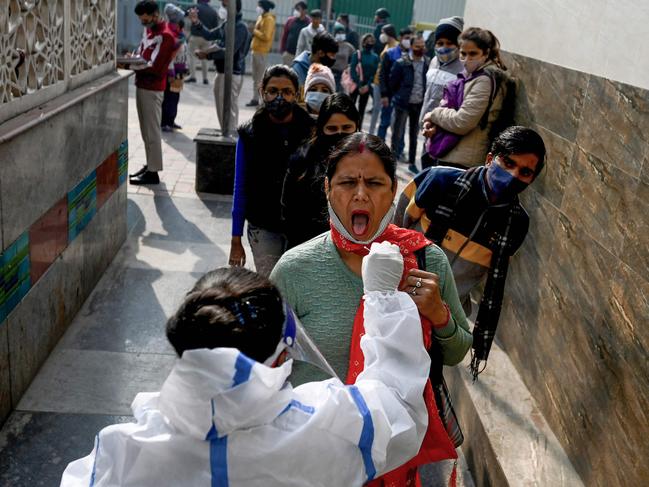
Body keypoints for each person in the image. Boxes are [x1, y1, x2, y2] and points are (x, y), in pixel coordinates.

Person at [60, 253, 437, 486]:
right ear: (282, 359)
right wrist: (384, 298)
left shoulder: (122, 451)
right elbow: (400, 409)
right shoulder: (330, 427)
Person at [271, 132, 471, 485]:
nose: (360, 194)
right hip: (312, 457)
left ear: (393, 190)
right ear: (328, 189)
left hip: (391, 459)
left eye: (375, 183)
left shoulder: (426, 261)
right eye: (347, 182)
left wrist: (439, 315)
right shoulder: (294, 269)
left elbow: (456, 353)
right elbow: (265, 366)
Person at [394, 126, 546, 379]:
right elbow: (393, 232)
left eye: (525, 172)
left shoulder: (515, 224)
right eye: (507, 162)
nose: (512, 175)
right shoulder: (438, 180)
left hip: (442, 321)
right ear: (489, 158)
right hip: (395, 300)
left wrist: (447, 319)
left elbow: (483, 280)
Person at [229, 65, 314, 277]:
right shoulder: (249, 133)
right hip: (263, 226)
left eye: (286, 92)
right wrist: (235, 238)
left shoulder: (311, 130)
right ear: (262, 92)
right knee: (272, 286)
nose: (279, 98)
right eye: (273, 91)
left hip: (302, 227)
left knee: (297, 288)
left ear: (296, 94)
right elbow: (240, 187)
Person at [421, 27, 509, 168]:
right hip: (453, 153)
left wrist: (434, 114)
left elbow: (462, 122)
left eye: (473, 53)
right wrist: (435, 126)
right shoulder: (470, 75)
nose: (467, 59)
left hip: (464, 161)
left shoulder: (484, 80)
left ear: (486, 53)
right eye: (463, 53)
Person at [282, 93, 359, 248]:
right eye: (332, 128)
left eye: (346, 128)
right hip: (305, 247)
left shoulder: (369, 161)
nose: (339, 134)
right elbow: (288, 208)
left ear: (356, 127)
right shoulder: (303, 160)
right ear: (321, 128)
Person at [129, 0, 177, 186]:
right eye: (141, 19)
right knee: (145, 131)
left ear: (155, 14)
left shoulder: (166, 36)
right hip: (142, 85)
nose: (143, 21)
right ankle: (150, 165)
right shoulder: (149, 31)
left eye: (145, 18)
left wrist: (130, 64)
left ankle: (153, 172)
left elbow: (155, 67)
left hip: (152, 88)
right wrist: (133, 59)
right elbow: (143, 53)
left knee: (152, 132)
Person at [189, 0, 251, 134]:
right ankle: (226, 134)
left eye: (225, 5)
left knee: (229, 111)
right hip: (221, 72)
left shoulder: (240, 27)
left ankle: (231, 140)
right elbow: (210, 34)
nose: (222, 8)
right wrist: (196, 22)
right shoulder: (227, 24)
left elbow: (229, 51)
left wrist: (207, 55)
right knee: (222, 110)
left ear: (234, 7)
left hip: (231, 74)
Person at [419, 16, 464, 169]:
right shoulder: (433, 62)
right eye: (440, 43)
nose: (444, 47)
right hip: (426, 128)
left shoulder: (463, 68)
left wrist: (438, 126)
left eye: (449, 43)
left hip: (443, 133)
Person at [389, 33, 430, 173]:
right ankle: (392, 161)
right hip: (402, 104)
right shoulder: (402, 63)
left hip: (418, 105)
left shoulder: (428, 63)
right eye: (417, 46)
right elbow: (393, 83)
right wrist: (399, 96)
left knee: (414, 135)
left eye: (423, 46)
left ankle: (412, 162)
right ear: (411, 47)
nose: (421, 48)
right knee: (397, 134)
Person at [378, 27, 413, 150]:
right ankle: (379, 147)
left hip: (403, 97)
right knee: (384, 122)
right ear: (400, 38)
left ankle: (398, 149)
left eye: (410, 38)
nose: (408, 41)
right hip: (389, 94)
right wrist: (384, 94)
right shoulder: (390, 53)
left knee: (400, 126)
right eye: (406, 38)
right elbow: (383, 75)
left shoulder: (412, 56)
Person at [160, 4, 188, 132]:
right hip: (171, 72)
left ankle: (171, 121)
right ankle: (165, 122)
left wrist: (185, 67)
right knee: (168, 97)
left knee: (175, 97)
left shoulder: (180, 34)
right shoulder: (170, 34)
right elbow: (168, 56)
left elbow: (184, 52)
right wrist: (170, 72)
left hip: (179, 71)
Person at [369, 23, 398, 135]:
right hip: (378, 81)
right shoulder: (387, 45)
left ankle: (394, 136)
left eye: (383, 32)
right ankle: (371, 133)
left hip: (385, 84)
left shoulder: (395, 47)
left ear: (389, 33)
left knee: (389, 113)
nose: (381, 35)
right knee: (376, 109)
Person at [246, 1, 276, 107]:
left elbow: (266, 36)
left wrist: (254, 31)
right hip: (255, 50)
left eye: (259, 6)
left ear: (263, 7)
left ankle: (262, 101)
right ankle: (255, 99)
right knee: (255, 78)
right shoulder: (261, 17)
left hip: (262, 52)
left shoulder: (269, 19)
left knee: (260, 78)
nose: (257, 8)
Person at [185, 0, 219, 84]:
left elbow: (185, 13)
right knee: (205, 57)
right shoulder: (213, 11)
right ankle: (205, 78)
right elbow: (216, 27)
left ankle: (193, 76)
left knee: (191, 55)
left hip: (195, 36)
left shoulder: (195, 7)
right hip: (207, 38)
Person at [350, 33, 379, 129]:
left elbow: (375, 73)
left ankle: (359, 129)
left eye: (372, 41)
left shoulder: (375, 57)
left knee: (362, 110)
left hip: (367, 86)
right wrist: (359, 84)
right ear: (363, 42)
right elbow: (352, 70)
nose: (370, 43)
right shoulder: (357, 54)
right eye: (368, 41)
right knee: (351, 108)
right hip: (355, 85)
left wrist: (368, 85)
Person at [279, 1, 310, 65]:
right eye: (295, 9)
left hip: (301, 56)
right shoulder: (290, 21)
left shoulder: (309, 23)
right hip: (288, 54)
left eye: (298, 9)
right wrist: (283, 50)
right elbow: (284, 36)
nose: (296, 11)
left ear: (304, 11)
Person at [331, 23, 355, 92]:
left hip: (342, 74)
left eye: (342, 32)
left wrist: (350, 67)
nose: (340, 34)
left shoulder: (348, 46)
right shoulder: (330, 44)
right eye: (339, 32)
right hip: (331, 72)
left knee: (339, 95)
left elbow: (355, 57)